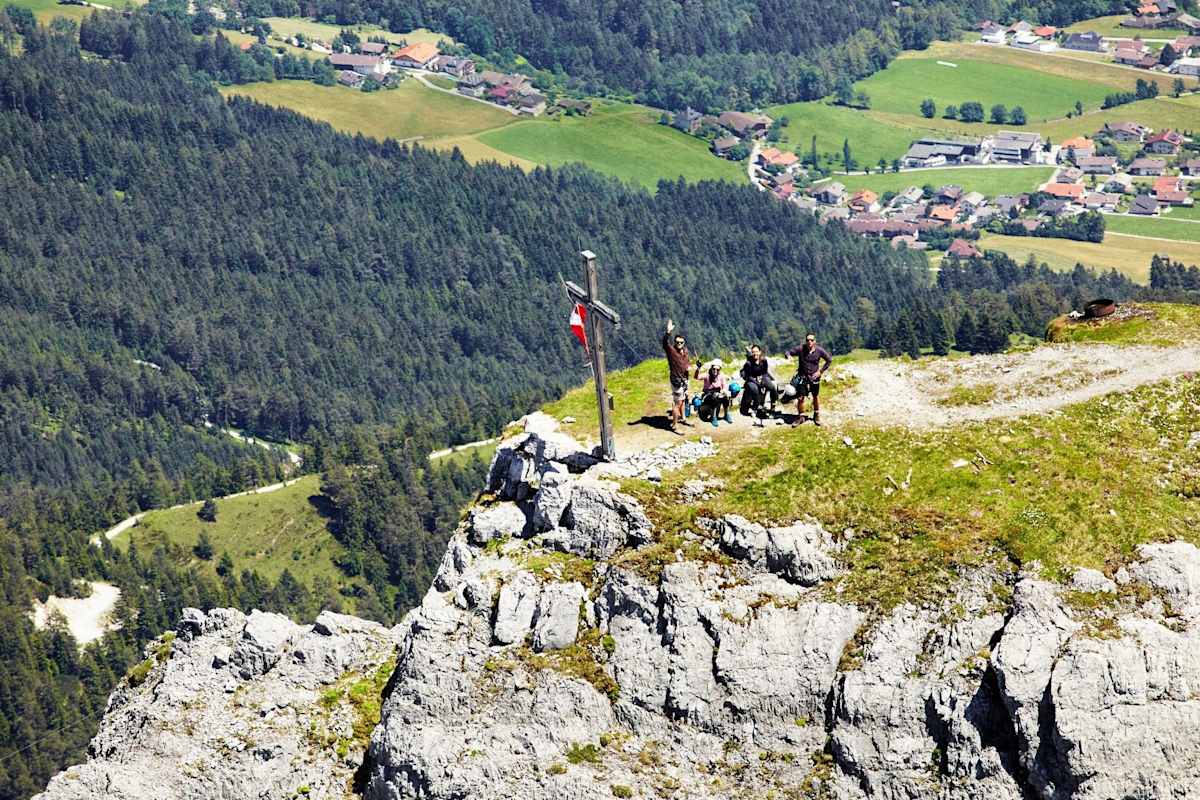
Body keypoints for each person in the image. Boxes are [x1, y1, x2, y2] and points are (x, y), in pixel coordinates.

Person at [786, 333, 832, 426]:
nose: (809, 342)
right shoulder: (801, 349)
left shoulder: (819, 350)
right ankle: (801, 417)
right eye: (807, 340)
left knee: (815, 396)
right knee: (800, 397)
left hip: (815, 377)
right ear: (805, 341)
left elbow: (829, 360)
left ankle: (816, 415)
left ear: (815, 341)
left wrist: (820, 371)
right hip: (802, 377)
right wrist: (788, 356)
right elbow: (788, 352)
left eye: (811, 340)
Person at [662, 319, 692, 434]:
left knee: (683, 400)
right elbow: (665, 342)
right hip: (676, 381)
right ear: (674, 342)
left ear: (684, 343)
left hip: (684, 380)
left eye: (681, 342)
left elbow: (686, 364)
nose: (679, 344)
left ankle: (683, 418)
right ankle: (674, 425)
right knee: (677, 403)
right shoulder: (671, 351)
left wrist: (688, 370)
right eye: (677, 342)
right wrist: (668, 332)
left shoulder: (685, 351)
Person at [739, 344, 779, 424]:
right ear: (751, 353)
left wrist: (763, 381)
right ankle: (755, 408)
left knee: (772, 387)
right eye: (753, 352)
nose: (755, 354)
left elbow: (765, 372)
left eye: (756, 352)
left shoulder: (764, 361)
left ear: (760, 352)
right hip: (751, 379)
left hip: (762, 377)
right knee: (755, 389)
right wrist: (758, 384)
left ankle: (773, 406)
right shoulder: (748, 363)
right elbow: (748, 376)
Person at [694, 358, 732, 428]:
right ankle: (713, 417)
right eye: (714, 369)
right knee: (714, 397)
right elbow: (696, 377)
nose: (715, 371)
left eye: (717, 369)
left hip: (718, 394)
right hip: (707, 395)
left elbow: (724, 387)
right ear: (711, 368)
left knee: (726, 397)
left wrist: (724, 392)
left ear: (720, 370)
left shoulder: (721, 376)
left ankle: (726, 414)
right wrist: (698, 368)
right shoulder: (707, 375)